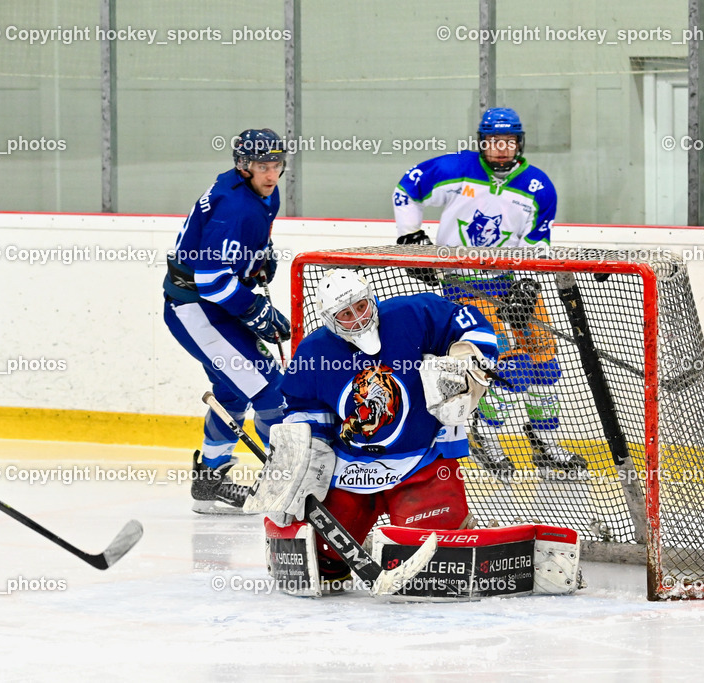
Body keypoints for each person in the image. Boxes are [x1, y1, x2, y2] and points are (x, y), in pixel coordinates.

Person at [246, 269, 498, 589]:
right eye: (345, 314)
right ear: (329, 319)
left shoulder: (415, 315)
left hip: (421, 462)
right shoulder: (314, 353)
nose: (358, 318)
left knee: (436, 564)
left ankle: (454, 533)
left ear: (371, 298)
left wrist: (470, 355)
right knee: (308, 553)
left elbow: (473, 323)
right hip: (349, 471)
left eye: (361, 306)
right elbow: (306, 417)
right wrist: (295, 468)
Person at [392, 106, 586, 475]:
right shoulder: (456, 169)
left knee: (544, 358)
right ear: (482, 142)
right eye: (493, 140)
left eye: (508, 141)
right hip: (464, 286)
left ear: (519, 143)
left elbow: (537, 242)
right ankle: (486, 436)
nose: (500, 148)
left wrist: (528, 284)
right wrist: (410, 238)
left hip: (510, 282)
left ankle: (545, 442)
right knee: (508, 364)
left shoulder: (538, 187)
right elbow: (406, 190)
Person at [163, 128, 290, 514]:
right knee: (273, 392)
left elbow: (242, 250)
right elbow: (212, 278)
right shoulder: (234, 207)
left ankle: (209, 480)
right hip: (196, 310)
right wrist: (257, 311)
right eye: (262, 166)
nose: (271, 174)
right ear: (243, 166)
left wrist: (260, 260)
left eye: (277, 165)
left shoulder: (258, 193)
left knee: (233, 393)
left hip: (213, 306)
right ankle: (287, 480)